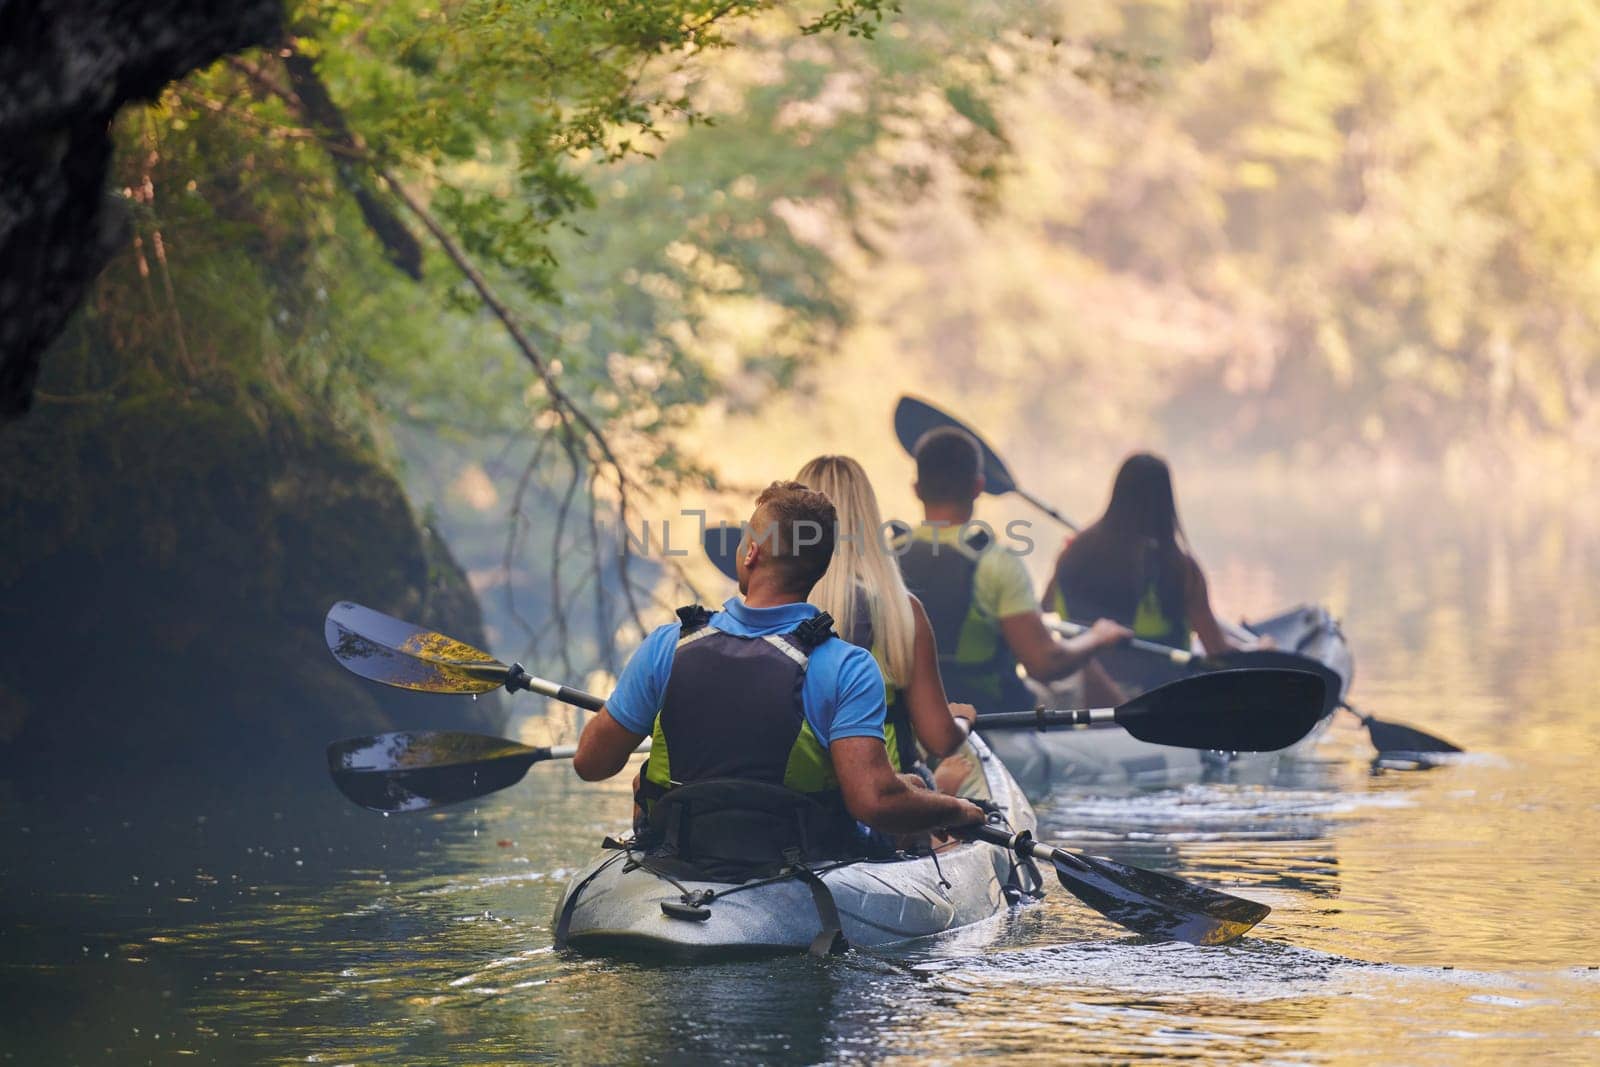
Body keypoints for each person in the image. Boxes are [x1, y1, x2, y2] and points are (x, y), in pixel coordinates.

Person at [573, 481, 985, 856]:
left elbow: (591, 764)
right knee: (909, 786)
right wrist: (954, 809)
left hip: (678, 850)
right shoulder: (848, 666)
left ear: (750, 553)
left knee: (638, 784)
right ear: (819, 568)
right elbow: (874, 802)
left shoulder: (668, 645)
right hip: (796, 858)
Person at [897, 427, 1130, 716]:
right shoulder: (996, 563)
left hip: (914, 715)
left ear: (917, 489)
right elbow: (1044, 664)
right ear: (978, 487)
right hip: (991, 718)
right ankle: (1133, 747)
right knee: (1081, 671)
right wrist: (1097, 637)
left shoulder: (888, 556)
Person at [795, 454, 975, 775]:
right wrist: (961, 720)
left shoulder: (775, 604)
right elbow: (939, 739)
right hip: (885, 795)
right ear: (868, 517)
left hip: (799, 793)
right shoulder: (902, 612)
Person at [1051, 452, 1272, 663]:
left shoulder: (1072, 552)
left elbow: (1045, 606)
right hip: (1158, 690)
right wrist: (1259, 651)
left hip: (1086, 686)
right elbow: (1217, 652)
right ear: (1166, 502)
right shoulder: (1180, 569)